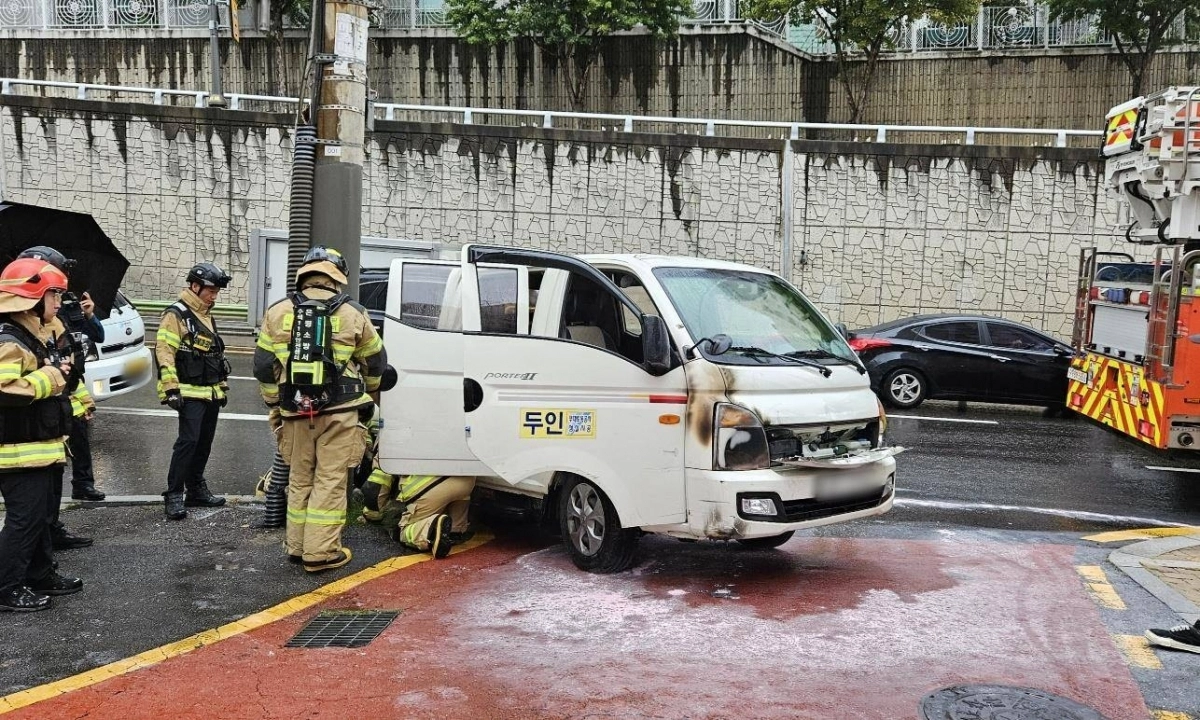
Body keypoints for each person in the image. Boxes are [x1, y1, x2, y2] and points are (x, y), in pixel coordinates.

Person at [253, 246, 386, 573]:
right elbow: (376, 359)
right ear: (337, 278)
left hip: (295, 411)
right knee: (329, 479)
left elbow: (261, 365)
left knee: (300, 477)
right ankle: (322, 553)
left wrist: (275, 403)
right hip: (340, 411)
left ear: (304, 274)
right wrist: (369, 391)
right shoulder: (353, 312)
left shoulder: (278, 310)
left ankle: (297, 548)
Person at [0, 258, 85, 612]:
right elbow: (3, 389)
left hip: (41, 445)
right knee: (24, 520)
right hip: (18, 451)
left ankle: (39, 573)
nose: (58, 303)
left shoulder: (34, 333)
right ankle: (6, 587)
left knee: (41, 517)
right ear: (33, 297)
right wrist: (47, 379)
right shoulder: (9, 340)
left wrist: (60, 369)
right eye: (54, 295)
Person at [157, 262, 232, 520]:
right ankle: (174, 494)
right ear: (195, 286)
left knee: (203, 443)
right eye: (211, 290)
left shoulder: (205, 313)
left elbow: (213, 352)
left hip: (209, 391)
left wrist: (221, 386)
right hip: (188, 391)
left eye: (216, 291)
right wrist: (171, 388)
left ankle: (196, 489)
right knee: (188, 442)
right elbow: (165, 352)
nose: (214, 295)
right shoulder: (177, 314)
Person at [362, 468, 474, 559]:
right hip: (467, 479)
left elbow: (375, 487)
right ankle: (456, 529)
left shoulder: (390, 446)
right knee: (456, 497)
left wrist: (372, 514)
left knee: (402, 532)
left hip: (431, 484)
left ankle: (433, 530)